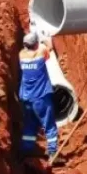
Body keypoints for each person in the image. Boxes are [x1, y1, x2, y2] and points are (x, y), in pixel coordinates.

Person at [18, 31, 58, 160]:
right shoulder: (41, 54)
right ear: (36, 44)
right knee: (49, 124)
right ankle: (53, 153)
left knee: (30, 124)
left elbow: (32, 50)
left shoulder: (21, 55)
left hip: (26, 97)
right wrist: (46, 39)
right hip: (40, 97)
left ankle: (27, 151)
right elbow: (50, 48)